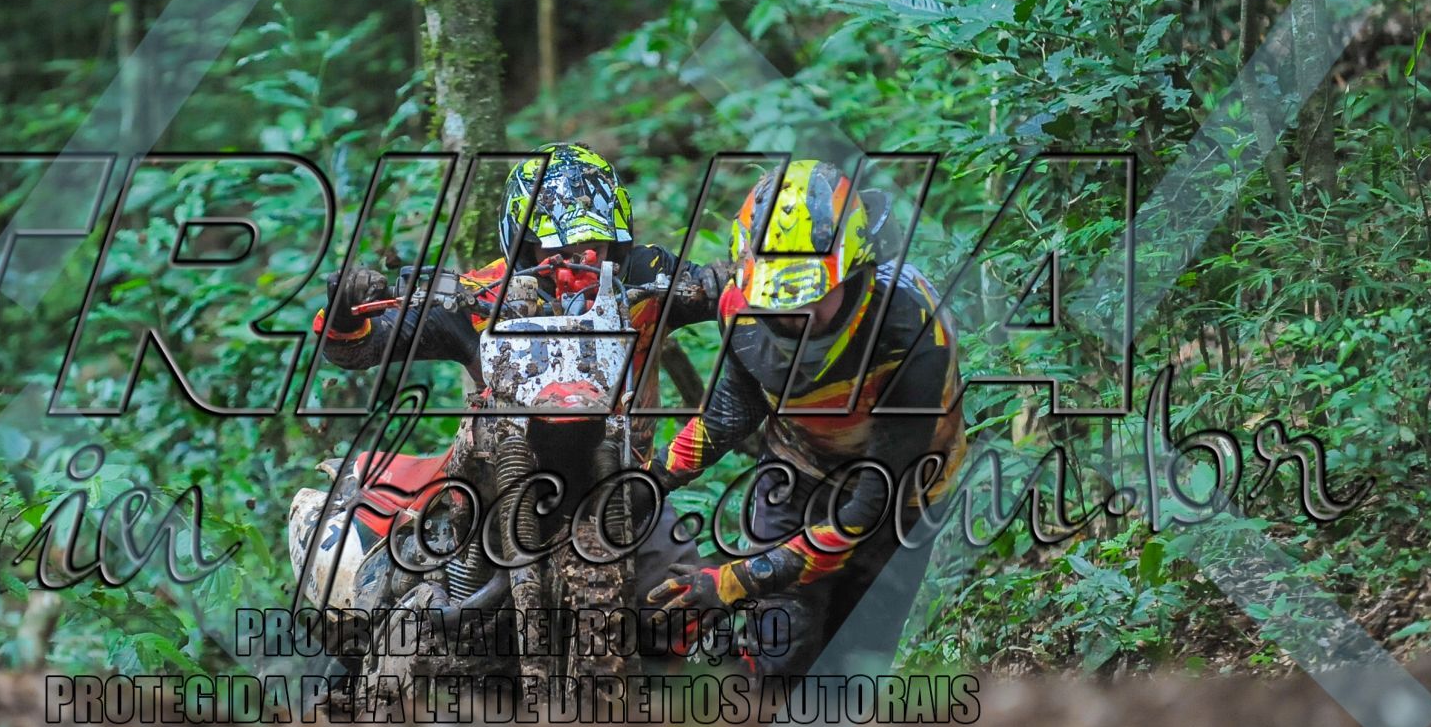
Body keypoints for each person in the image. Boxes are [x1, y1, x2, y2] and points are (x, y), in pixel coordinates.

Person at [312, 141, 729, 650]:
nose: (576, 263)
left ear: (618, 242)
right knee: (413, 597)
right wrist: (345, 311)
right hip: (502, 473)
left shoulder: (647, 276)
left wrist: (728, 283)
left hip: (623, 480)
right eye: (554, 250)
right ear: (523, 245)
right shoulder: (479, 292)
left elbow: (731, 294)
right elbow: (360, 348)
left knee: (685, 614)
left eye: (594, 245)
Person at [645, 158, 967, 677]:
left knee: (853, 662)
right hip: (796, 469)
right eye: (777, 298)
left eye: (812, 295)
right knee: (778, 648)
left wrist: (732, 582)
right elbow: (733, 409)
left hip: (902, 492)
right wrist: (652, 478)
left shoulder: (912, 330)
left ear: (855, 270)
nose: (796, 315)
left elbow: (871, 504)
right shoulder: (741, 308)